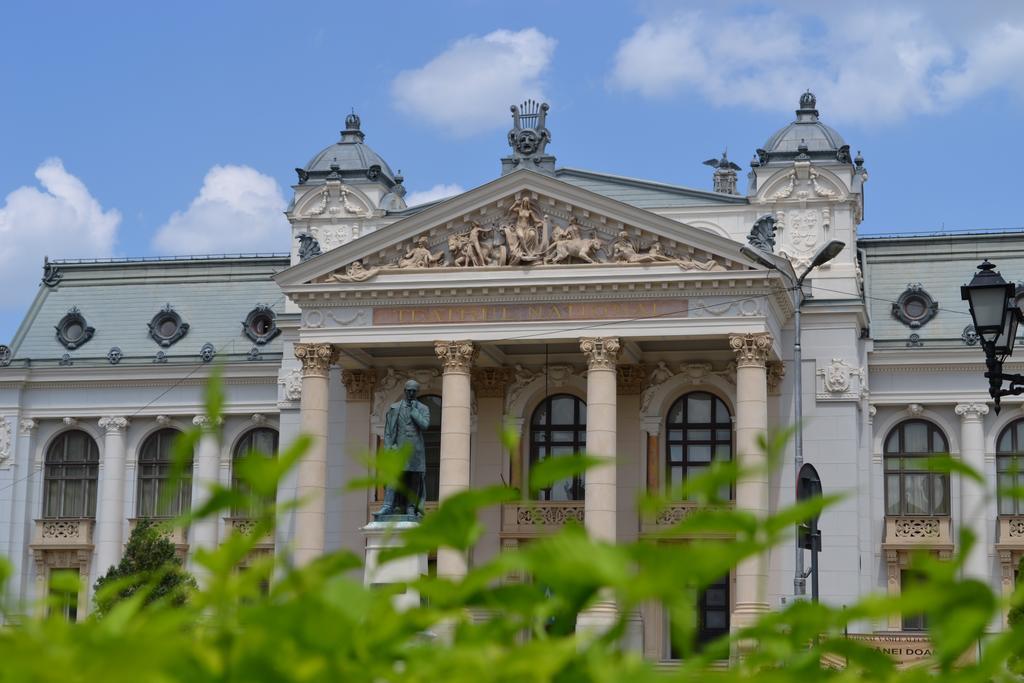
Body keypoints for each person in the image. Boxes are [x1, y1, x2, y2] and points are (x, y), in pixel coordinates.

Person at [376, 379, 431, 518]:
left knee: (414, 479)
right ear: (405, 391)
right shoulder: (394, 408)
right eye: (409, 390)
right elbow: (388, 432)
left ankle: (411, 507)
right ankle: (388, 506)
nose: (411, 393)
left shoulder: (423, 408)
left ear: (417, 392)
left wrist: (414, 412)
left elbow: (425, 425)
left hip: (415, 451)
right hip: (398, 450)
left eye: (414, 391)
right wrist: (388, 449)